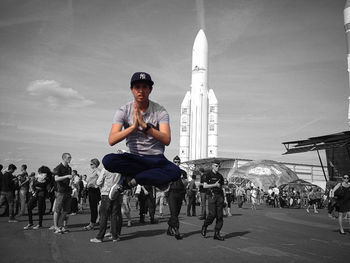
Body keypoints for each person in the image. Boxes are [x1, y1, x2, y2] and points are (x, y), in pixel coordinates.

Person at [102, 72, 181, 196]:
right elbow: (112, 140)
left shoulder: (160, 111)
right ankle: (153, 177)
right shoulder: (123, 111)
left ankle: (129, 183)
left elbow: (166, 139)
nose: (141, 91)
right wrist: (133, 127)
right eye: (137, 87)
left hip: (156, 158)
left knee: (176, 172)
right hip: (135, 158)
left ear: (150, 90)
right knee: (107, 160)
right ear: (132, 90)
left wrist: (145, 127)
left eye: (145, 87)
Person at [90, 168, 122, 243]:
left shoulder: (106, 169)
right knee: (114, 215)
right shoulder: (119, 169)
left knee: (103, 216)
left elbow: (99, 182)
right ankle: (115, 236)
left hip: (106, 193)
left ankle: (100, 237)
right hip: (116, 193)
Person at [201, 161, 225, 241]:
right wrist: (214, 184)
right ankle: (205, 226)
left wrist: (224, 199)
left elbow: (222, 187)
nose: (218, 167)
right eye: (216, 165)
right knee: (212, 214)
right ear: (212, 166)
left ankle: (217, 234)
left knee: (220, 216)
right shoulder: (207, 174)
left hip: (220, 196)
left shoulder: (220, 176)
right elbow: (204, 186)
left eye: (219, 166)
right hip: (212, 196)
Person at [167, 156, 187, 240]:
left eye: (178, 162)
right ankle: (177, 230)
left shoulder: (183, 172)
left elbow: (186, 183)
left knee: (176, 213)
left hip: (180, 193)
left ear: (180, 163)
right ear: (173, 162)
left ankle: (169, 228)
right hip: (171, 193)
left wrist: (182, 179)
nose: (177, 163)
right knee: (174, 212)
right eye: (175, 162)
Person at [52, 153, 73, 234]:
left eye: (70, 157)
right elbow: (56, 178)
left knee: (66, 210)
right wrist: (67, 176)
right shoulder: (59, 167)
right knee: (57, 209)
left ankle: (61, 226)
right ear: (64, 158)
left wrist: (71, 183)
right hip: (60, 191)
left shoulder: (69, 168)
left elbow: (69, 179)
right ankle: (56, 226)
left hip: (68, 191)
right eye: (68, 157)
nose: (70, 159)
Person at [84, 159, 101, 230]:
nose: (90, 165)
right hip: (90, 190)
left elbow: (101, 178)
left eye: (91, 164)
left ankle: (92, 224)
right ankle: (94, 222)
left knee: (94, 208)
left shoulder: (97, 170)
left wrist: (97, 185)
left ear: (95, 164)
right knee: (93, 208)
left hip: (94, 190)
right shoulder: (93, 171)